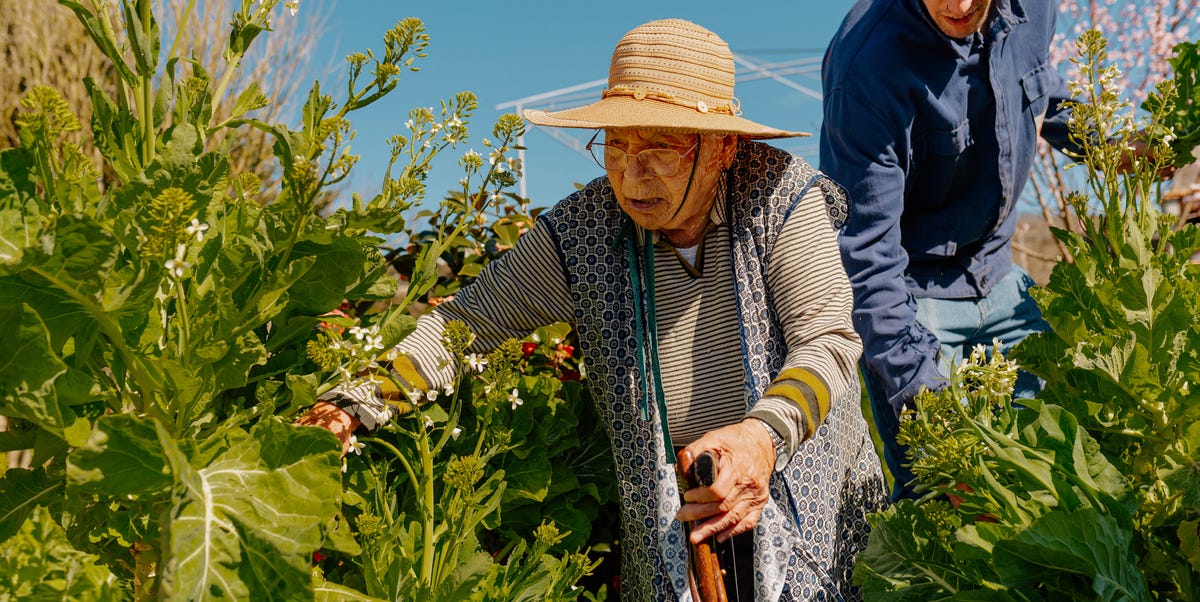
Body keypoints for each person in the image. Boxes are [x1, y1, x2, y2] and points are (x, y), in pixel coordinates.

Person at [301, 18, 886, 601]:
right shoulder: (582, 231)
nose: (632, 175)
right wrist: (351, 406)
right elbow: (465, 324)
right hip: (678, 525)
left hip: (809, 496)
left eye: (659, 148)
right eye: (616, 146)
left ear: (723, 147)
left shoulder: (782, 200)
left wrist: (761, 439)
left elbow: (828, 341)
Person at [819, 0, 1076, 501]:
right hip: (914, 295)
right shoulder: (867, 64)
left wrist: (1112, 143)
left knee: (1052, 471)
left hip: (1001, 271)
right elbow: (868, 263)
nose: (956, 4)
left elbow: (1041, 82)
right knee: (946, 498)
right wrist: (924, 402)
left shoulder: (1034, 7)